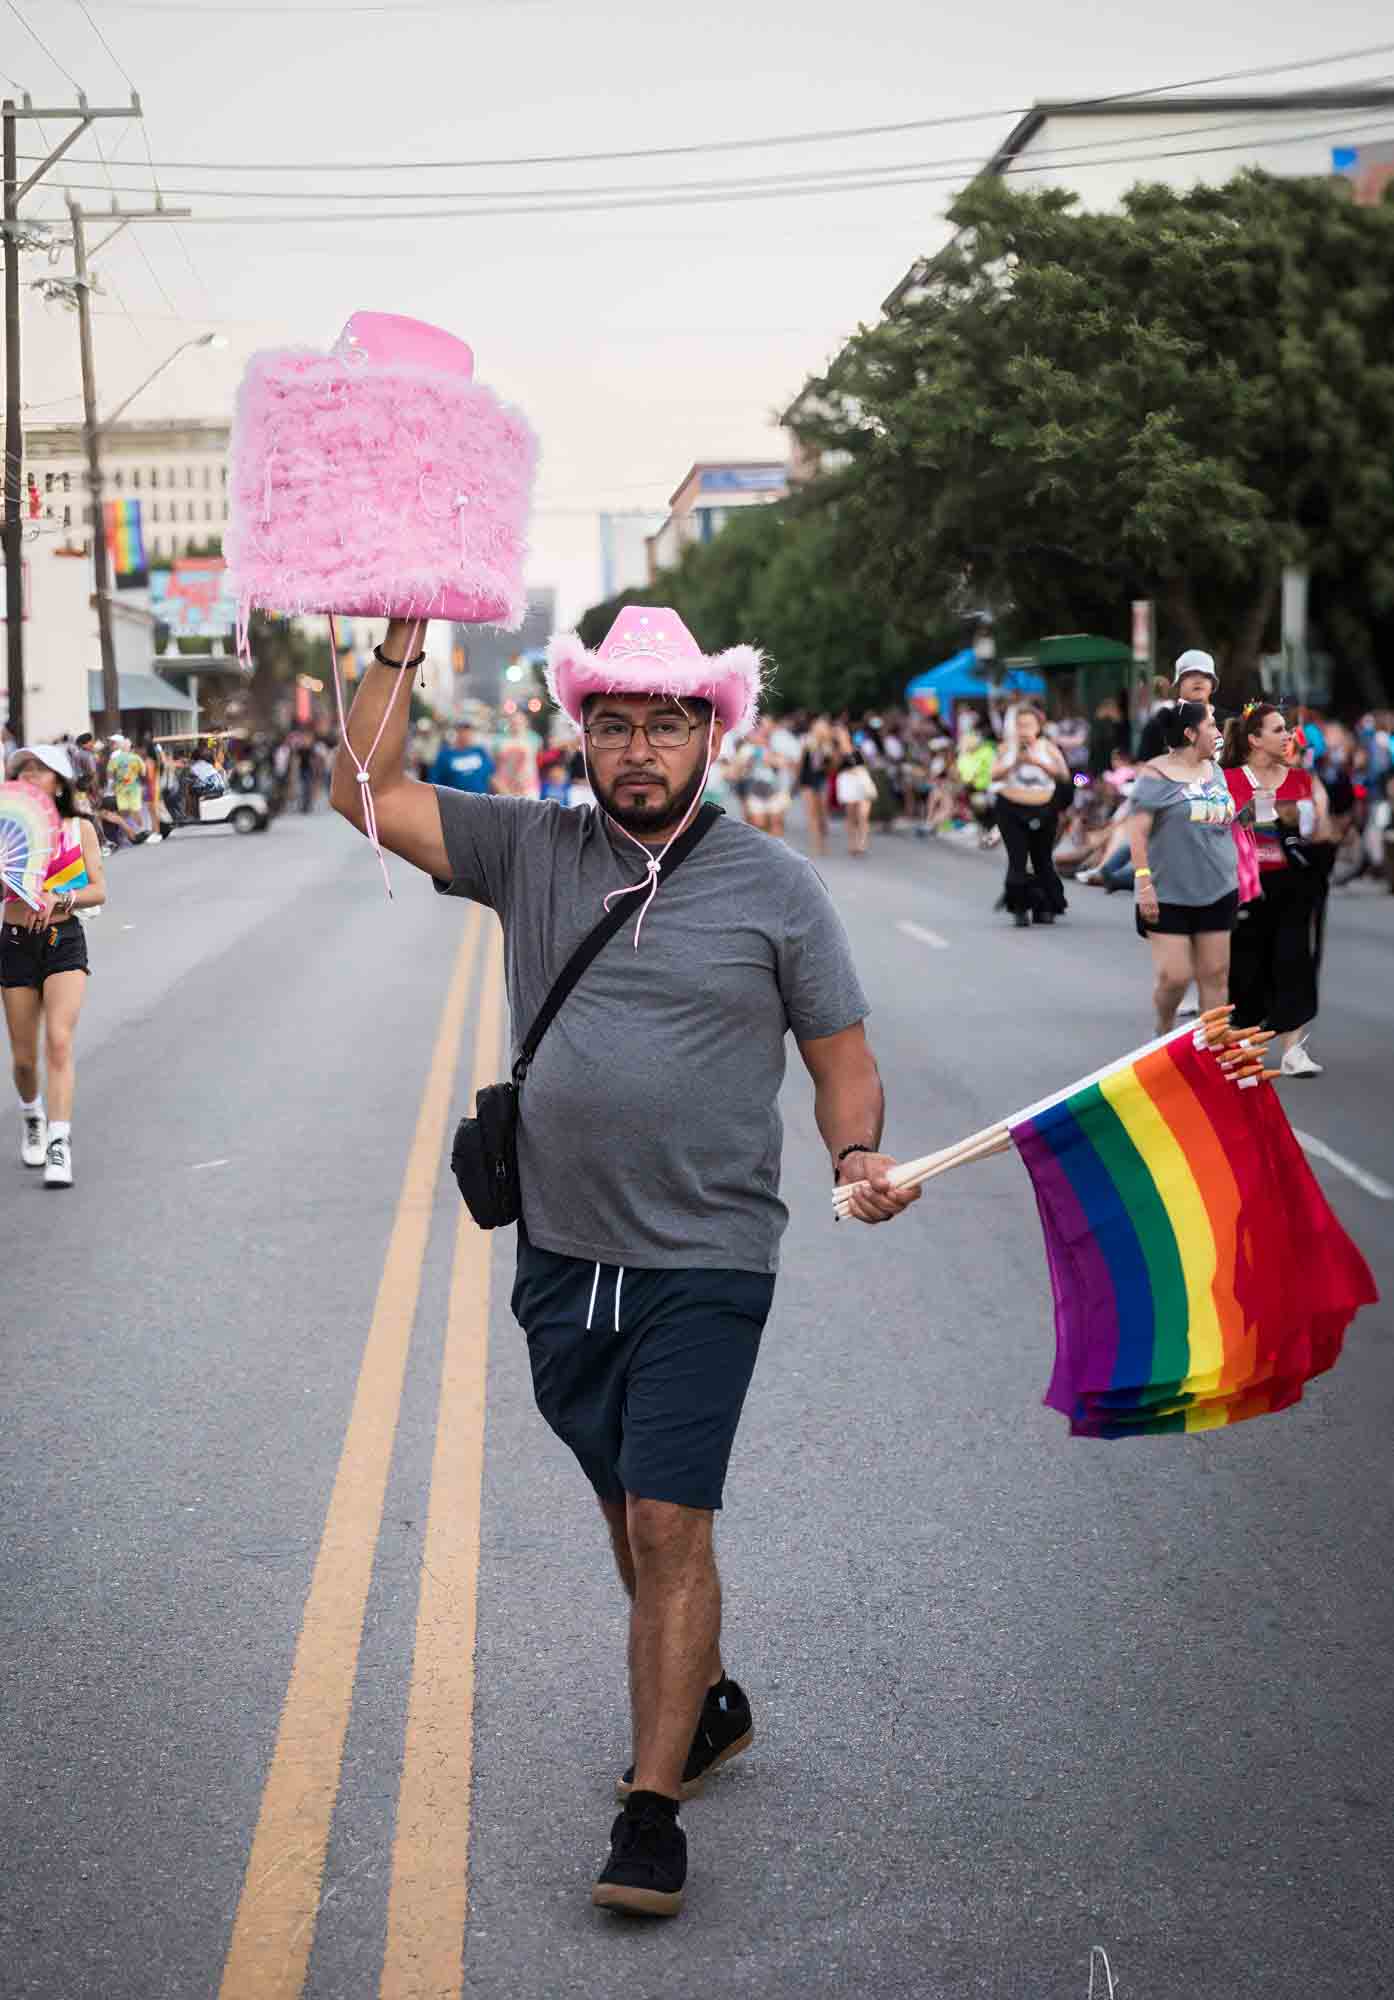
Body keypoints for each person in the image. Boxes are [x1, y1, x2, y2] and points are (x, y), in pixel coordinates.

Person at [330, 604, 919, 1920]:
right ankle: (700, 1705)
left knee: (667, 1522)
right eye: (614, 725)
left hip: (708, 1259)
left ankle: (649, 1813)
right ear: (581, 735)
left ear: (712, 731)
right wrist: (398, 650)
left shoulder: (776, 885)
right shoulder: (531, 847)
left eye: (665, 723)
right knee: (627, 1518)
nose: (638, 748)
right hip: (560, 1257)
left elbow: (842, 1059)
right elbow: (361, 790)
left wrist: (853, 1156)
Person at [2, 744, 107, 1187]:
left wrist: (60, 898)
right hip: (14, 941)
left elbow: (98, 890)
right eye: (22, 769)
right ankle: (33, 1115)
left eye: (39, 770)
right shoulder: (5, 831)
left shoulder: (78, 828)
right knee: (24, 1061)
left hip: (63, 939)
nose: (28, 776)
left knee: (59, 1042)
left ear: (59, 782)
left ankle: (60, 1144)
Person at [1221, 704, 1333, 1077]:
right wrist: (1271, 810)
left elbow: (1320, 829)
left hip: (1292, 884)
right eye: (1277, 729)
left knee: (1293, 962)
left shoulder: (1302, 779)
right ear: (1254, 739)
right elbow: (1223, 824)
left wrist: (1309, 817)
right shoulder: (1230, 779)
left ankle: (1293, 1050)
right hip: (1246, 884)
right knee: (1248, 968)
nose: (1287, 736)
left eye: (1287, 730)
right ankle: (1247, 1045)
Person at [1127, 701, 1238, 1033]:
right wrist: (1143, 882)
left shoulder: (1215, 771)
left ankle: (1213, 1052)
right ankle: (1163, 1029)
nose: (1218, 733)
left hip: (1218, 887)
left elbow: (1220, 820)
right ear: (1190, 733)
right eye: (1212, 726)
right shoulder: (1155, 775)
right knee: (1174, 977)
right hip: (1168, 893)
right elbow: (1137, 832)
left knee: (1216, 974)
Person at [990, 704, 1070, 927]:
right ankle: (1019, 907)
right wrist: (1015, 761)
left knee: (1042, 859)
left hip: (1044, 808)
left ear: (1039, 727)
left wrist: (1038, 762)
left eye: (1028, 725)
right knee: (1017, 860)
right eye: (1019, 725)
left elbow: (1066, 776)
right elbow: (993, 776)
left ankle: (1045, 905)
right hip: (1011, 808)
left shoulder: (1049, 748)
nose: (1023, 729)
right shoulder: (1006, 748)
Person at [834, 728, 875, 855]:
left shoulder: (857, 748)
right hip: (848, 783)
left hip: (861, 781)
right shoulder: (836, 752)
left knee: (863, 815)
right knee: (851, 816)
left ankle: (862, 843)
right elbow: (834, 768)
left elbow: (865, 764)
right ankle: (852, 843)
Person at [797, 716, 833, 856]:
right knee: (812, 813)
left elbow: (831, 768)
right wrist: (798, 780)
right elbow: (800, 762)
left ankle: (822, 838)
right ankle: (816, 843)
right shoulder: (806, 741)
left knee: (822, 812)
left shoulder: (828, 745)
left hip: (822, 779)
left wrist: (827, 751)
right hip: (807, 780)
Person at [430, 723, 495, 794]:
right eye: (462, 731)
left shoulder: (480, 751)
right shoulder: (445, 755)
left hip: (481, 800)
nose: (465, 735)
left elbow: (492, 776)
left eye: (468, 731)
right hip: (455, 800)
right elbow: (435, 781)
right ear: (456, 733)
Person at [494, 711, 541, 799]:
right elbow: (495, 764)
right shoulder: (498, 740)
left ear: (525, 722)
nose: (516, 724)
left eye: (519, 722)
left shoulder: (534, 738)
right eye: (513, 722)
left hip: (528, 787)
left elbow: (535, 760)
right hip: (505, 788)